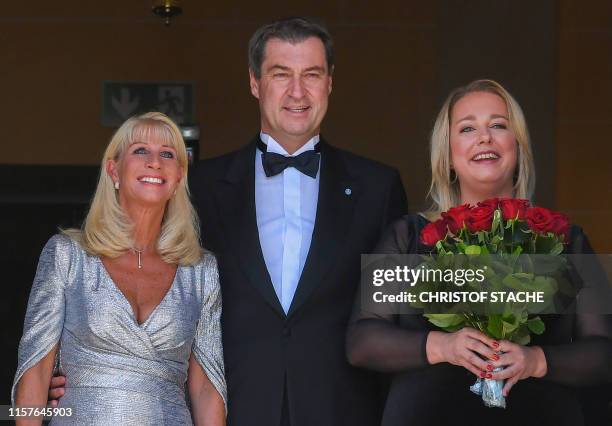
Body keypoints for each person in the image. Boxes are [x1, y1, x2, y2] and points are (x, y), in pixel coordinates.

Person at [346, 79, 612, 426]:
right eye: (467, 127)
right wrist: (444, 347)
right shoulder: (406, 238)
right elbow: (362, 341)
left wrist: (536, 360)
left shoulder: (567, 240)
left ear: (518, 146)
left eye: (499, 125)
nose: (484, 137)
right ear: (449, 154)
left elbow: (604, 353)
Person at [190, 18, 406, 426]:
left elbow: (395, 318)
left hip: (343, 410)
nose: (297, 92)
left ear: (330, 83)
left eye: (311, 75)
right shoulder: (199, 187)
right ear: (255, 82)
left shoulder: (379, 187)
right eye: (280, 74)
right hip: (231, 409)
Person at [14, 112, 226, 425]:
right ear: (113, 169)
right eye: (140, 150)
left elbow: (207, 387)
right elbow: (35, 370)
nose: (155, 161)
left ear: (179, 176)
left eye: (167, 154)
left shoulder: (201, 272)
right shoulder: (66, 256)